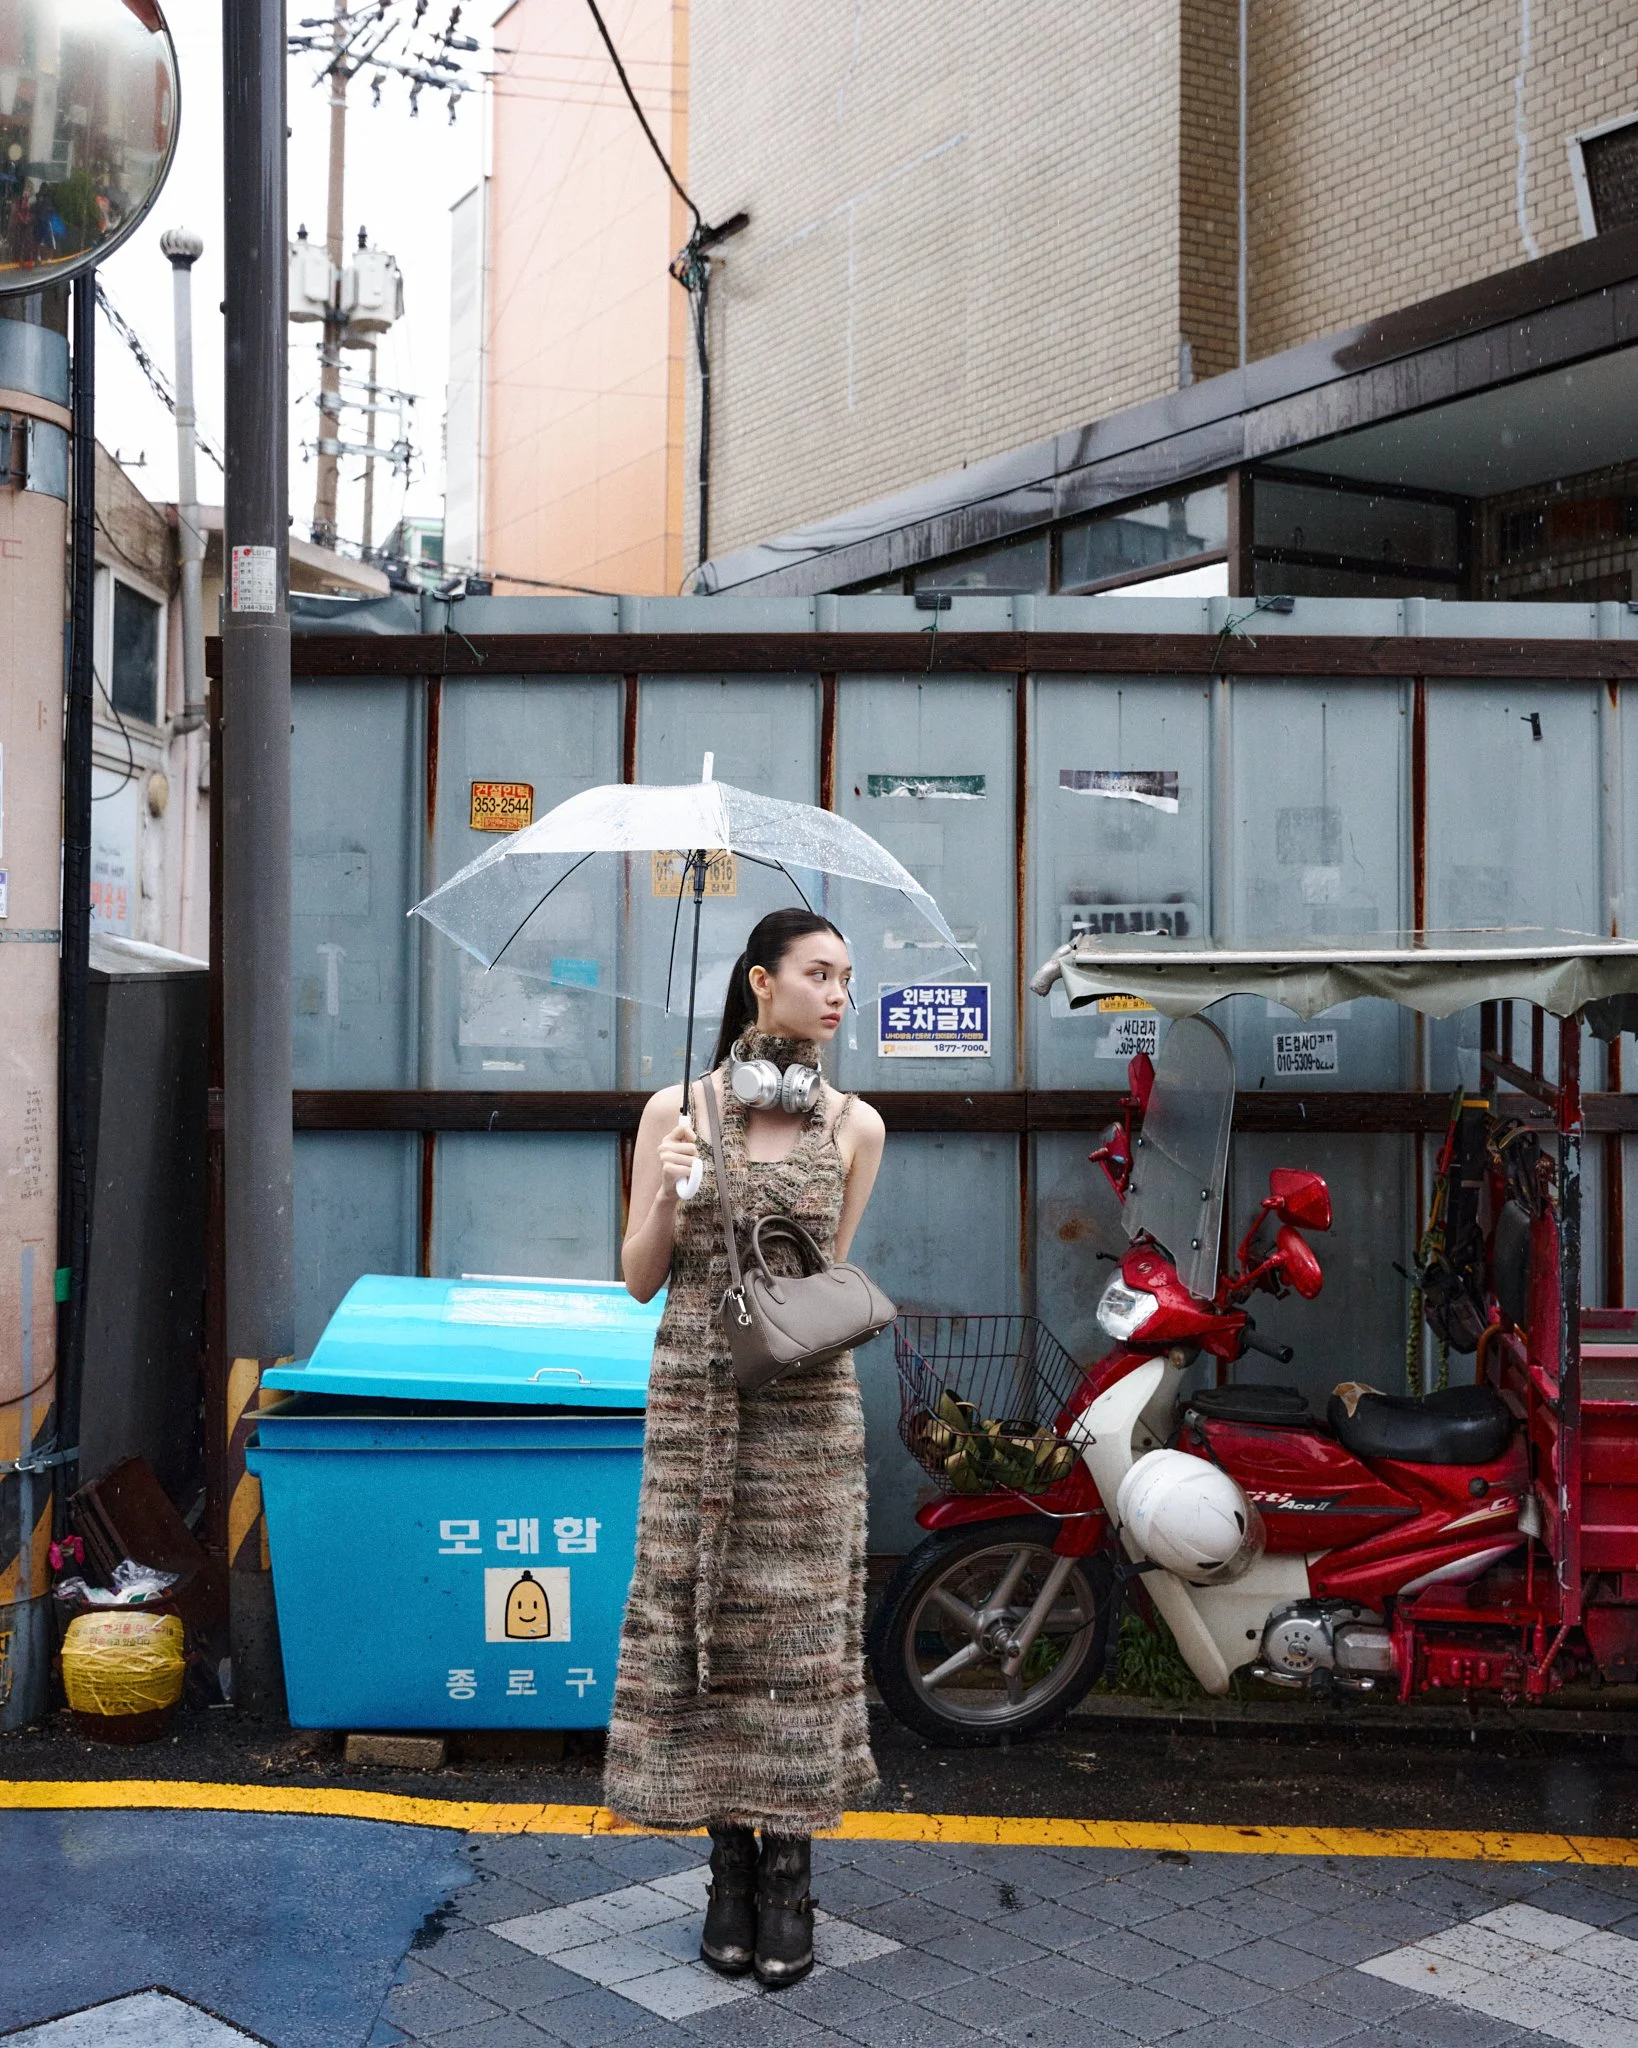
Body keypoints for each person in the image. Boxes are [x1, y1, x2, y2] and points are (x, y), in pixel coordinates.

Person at [605, 908, 886, 1990]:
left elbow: (824, 1290)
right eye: (819, 973)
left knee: (799, 1639)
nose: (838, 994)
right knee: (702, 1623)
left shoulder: (856, 1124)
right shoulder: (674, 1110)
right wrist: (670, 1191)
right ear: (761, 981)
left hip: (805, 1415)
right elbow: (638, 1279)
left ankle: (790, 1877)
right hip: (693, 1403)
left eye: (847, 977)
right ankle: (728, 1868)